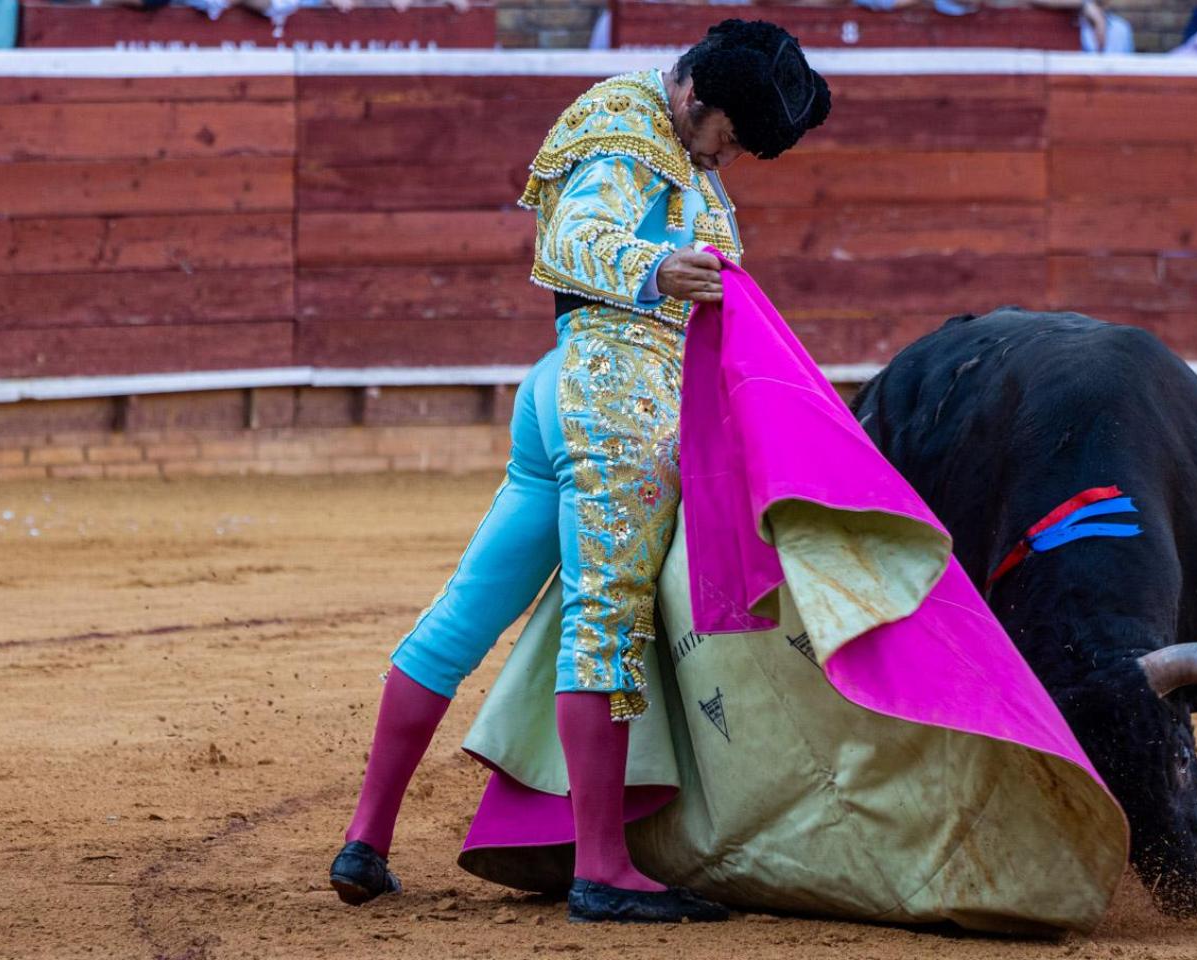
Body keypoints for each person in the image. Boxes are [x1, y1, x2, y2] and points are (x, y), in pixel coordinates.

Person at [327, 18, 830, 924]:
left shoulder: (657, 132)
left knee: (468, 609)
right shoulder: (626, 132)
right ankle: (602, 867)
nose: (727, 158)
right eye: (727, 137)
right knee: (607, 613)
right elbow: (570, 241)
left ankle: (366, 840)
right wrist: (654, 266)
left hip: (568, 388)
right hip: (613, 392)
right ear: (696, 97)